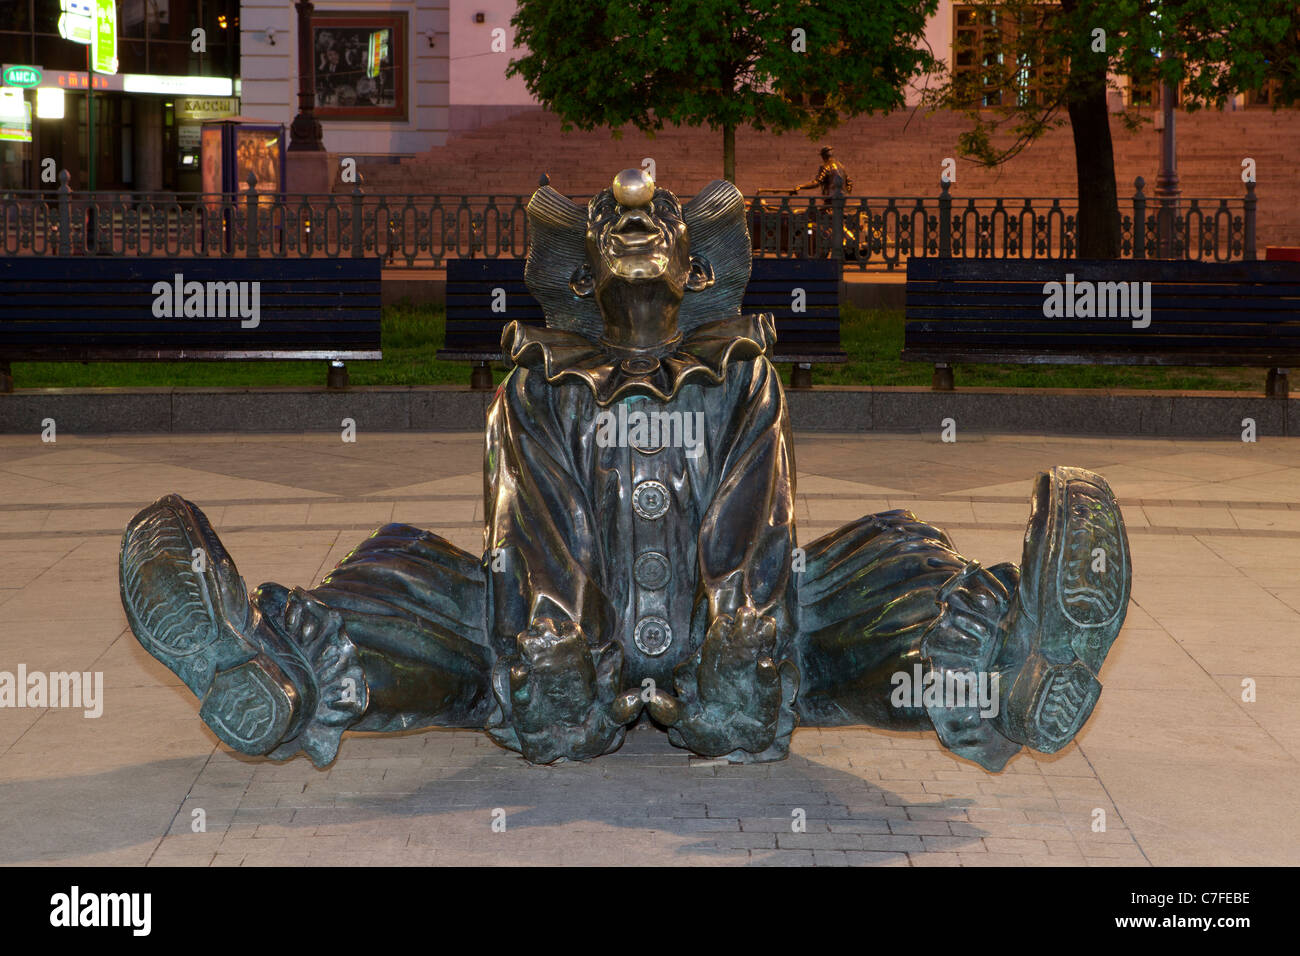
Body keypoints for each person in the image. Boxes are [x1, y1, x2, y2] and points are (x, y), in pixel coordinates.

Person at [119, 168, 1131, 770]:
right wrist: (551, 646)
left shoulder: (740, 372)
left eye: (656, 217)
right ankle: (269, 674)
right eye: (608, 220)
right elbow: (535, 530)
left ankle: (1012, 672)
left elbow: (758, 523)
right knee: (408, 585)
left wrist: (740, 643)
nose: (633, 209)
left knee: (887, 570)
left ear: (698, 268)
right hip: (551, 648)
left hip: (752, 642)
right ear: (577, 272)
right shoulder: (539, 383)